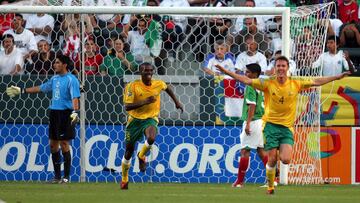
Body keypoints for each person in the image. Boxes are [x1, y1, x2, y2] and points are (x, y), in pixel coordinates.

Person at [215, 56, 350, 195]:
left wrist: (337, 77)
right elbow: (246, 80)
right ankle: (270, 186)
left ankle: (270, 172)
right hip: (270, 126)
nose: (280, 68)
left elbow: (317, 81)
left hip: (286, 128)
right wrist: (226, 71)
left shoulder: (296, 82)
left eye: (283, 66)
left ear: (287, 68)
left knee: (286, 159)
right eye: (278, 66)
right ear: (275, 68)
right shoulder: (267, 83)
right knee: (271, 158)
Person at [6, 54, 81, 184]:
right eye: (54, 62)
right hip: (54, 113)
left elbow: (75, 97)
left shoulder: (71, 79)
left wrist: (75, 111)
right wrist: (22, 90)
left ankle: (66, 177)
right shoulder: (55, 79)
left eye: (57, 63)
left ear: (64, 65)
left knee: (64, 144)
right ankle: (57, 177)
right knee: (53, 145)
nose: (54, 65)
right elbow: (41, 88)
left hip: (66, 114)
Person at [120, 62, 183, 190]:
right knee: (128, 151)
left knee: (152, 138)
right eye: (146, 71)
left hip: (150, 118)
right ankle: (124, 179)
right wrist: (145, 102)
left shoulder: (158, 84)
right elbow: (127, 106)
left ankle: (141, 155)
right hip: (134, 121)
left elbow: (167, 88)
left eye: (150, 71)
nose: (149, 73)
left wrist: (177, 102)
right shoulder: (132, 86)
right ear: (140, 72)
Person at [232, 63, 268, 188]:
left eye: (247, 72)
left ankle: (240, 182)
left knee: (245, 151)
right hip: (260, 120)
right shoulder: (261, 85)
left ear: (254, 74)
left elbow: (252, 105)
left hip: (253, 121)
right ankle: (274, 178)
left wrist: (247, 123)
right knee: (261, 151)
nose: (245, 74)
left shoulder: (251, 86)